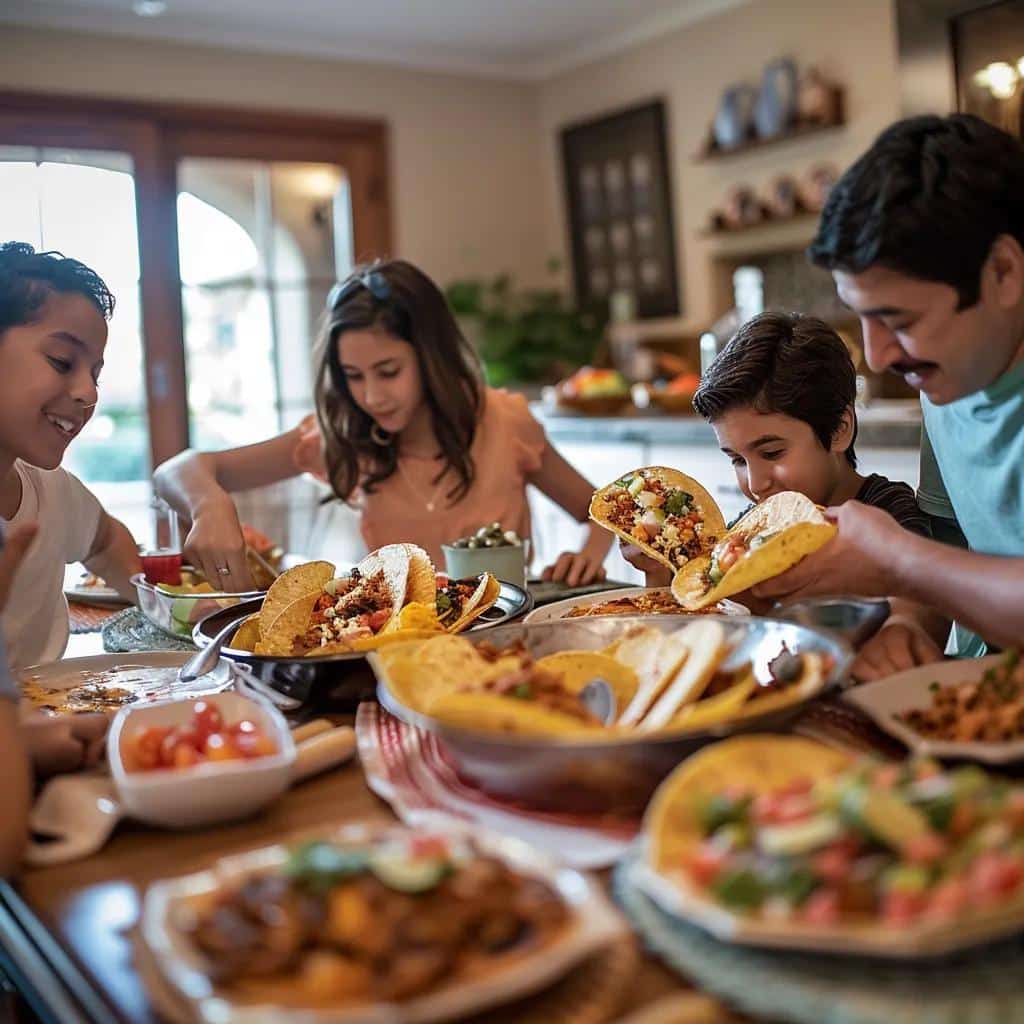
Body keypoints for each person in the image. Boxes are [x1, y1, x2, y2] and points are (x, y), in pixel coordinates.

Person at [753, 114, 1024, 675]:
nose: (877, 357)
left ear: (1003, 272)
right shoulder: (946, 382)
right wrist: (905, 626)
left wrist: (897, 563)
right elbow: (951, 551)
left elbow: (924, 565)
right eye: (861, 318)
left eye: (897, 319)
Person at [155, 260, 612, 588]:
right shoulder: (342, 438)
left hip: (510, 642)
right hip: (399, 655)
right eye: (354, 377)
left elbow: (606, 514)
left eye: (389, 371)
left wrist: (587, 557)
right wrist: (210, 507)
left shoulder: (505, 421)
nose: (371, 396)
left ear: (431, 357)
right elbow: (177, 470)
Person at [621, 311, 928, 588]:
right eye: (738, 460)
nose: (755, 485)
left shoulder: (890, 515)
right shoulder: (746, 534)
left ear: (838, 429)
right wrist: (660, 571)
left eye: (771, 453)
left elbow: (913, 611)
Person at [0, 243, 141, 671]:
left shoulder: (50, 488)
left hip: (50, 709)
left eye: (95, 373)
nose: (89, 393)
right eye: (63, 362)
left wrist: (162, 608)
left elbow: (104, 538)